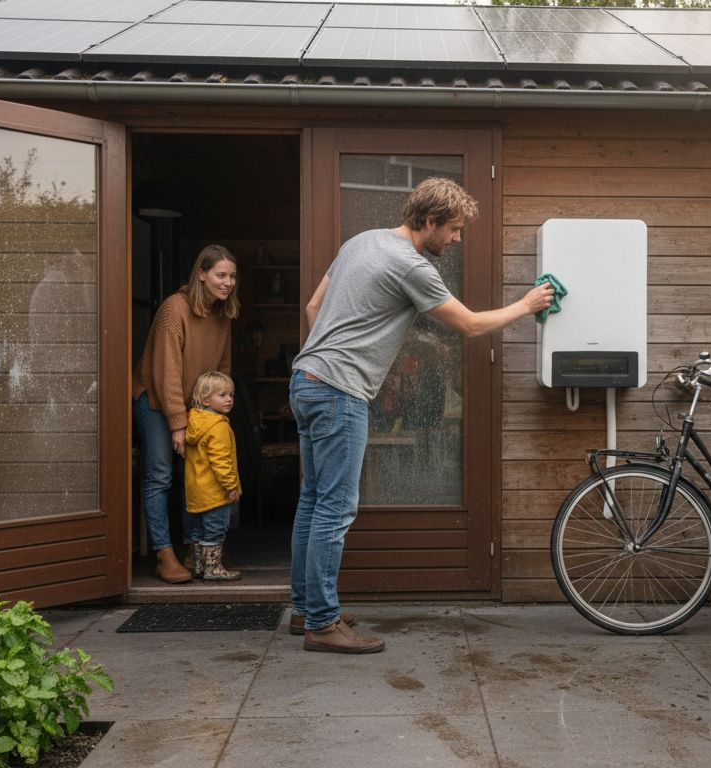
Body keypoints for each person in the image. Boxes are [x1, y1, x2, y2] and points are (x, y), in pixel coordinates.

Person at [288, 177, 555, 653]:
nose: (456, 239)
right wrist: (526, 304)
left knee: (313, 502)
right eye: (452, 229)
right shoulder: (411, 265)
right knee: (335, 509)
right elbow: (471, 325)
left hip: (305, 380)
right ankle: (322, 624)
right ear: (429, 221)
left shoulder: (361, 242)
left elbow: (314, 306)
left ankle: (308, 608)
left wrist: (328, 360)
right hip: (336, 392)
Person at [132, 245, 238, 584]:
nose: (228, 282)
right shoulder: (173, 309)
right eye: (221, 275)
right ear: (201, 275)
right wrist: (179, 424)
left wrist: (218, 409)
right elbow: (167, 373)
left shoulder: (222, 314)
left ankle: (195, 549)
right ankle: (164, 554)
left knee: (196, 474)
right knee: (161, 474)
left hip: (196, 407)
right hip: (157, 401)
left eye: (233, 276)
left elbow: (222, 369)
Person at [184, 371, 243, 581]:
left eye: (231, 394)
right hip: (215, 493)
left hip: (196, 492)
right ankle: (214, 568)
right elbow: (221, 461)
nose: (229, 399)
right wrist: (231, 486)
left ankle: (199, 567)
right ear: (205, 399)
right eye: (222, 395)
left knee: (198, 531)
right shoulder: (217, 427)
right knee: (216, 531)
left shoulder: (194, 421)